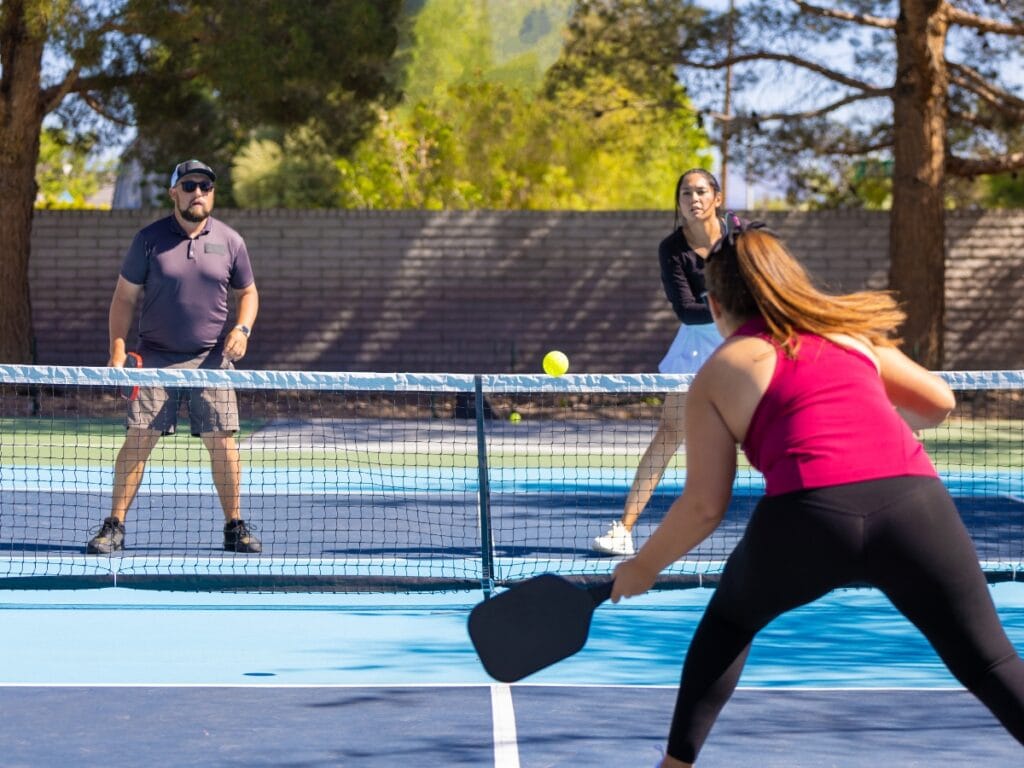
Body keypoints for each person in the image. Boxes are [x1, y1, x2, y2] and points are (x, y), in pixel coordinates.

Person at [610, 224, 1024, 765]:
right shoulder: (851, 336)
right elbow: (939, 402)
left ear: (714, 307)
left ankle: (675, 763)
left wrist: (644, 567)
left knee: (730, 624)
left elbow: (705, 505)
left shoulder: (717, 373)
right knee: (989, 662)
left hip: (809, 515)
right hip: (914, 505)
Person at [87, 159, 262, 555]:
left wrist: (242, 329)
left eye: (205, 186)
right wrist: (117, 347)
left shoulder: (231, 241)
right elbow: (124, 298)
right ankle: (114, 525)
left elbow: (248, 293)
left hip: (212, 361)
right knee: (139, 440)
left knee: (223, 443)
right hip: (155, 358)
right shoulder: (148, 240)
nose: (198, 192)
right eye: (189, 185)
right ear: (174, 193)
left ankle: (235, 527)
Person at [592, 169, 726, 556]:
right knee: (669, 433)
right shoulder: (672, 249)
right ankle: (624, 529)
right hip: (696, 350)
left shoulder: (740, 236)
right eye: (686, 193)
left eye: (701, 191)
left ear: (717, 197)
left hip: (746, 346)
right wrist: (733, 307)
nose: (694, 199)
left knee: (768, 434)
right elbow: (686, 310)